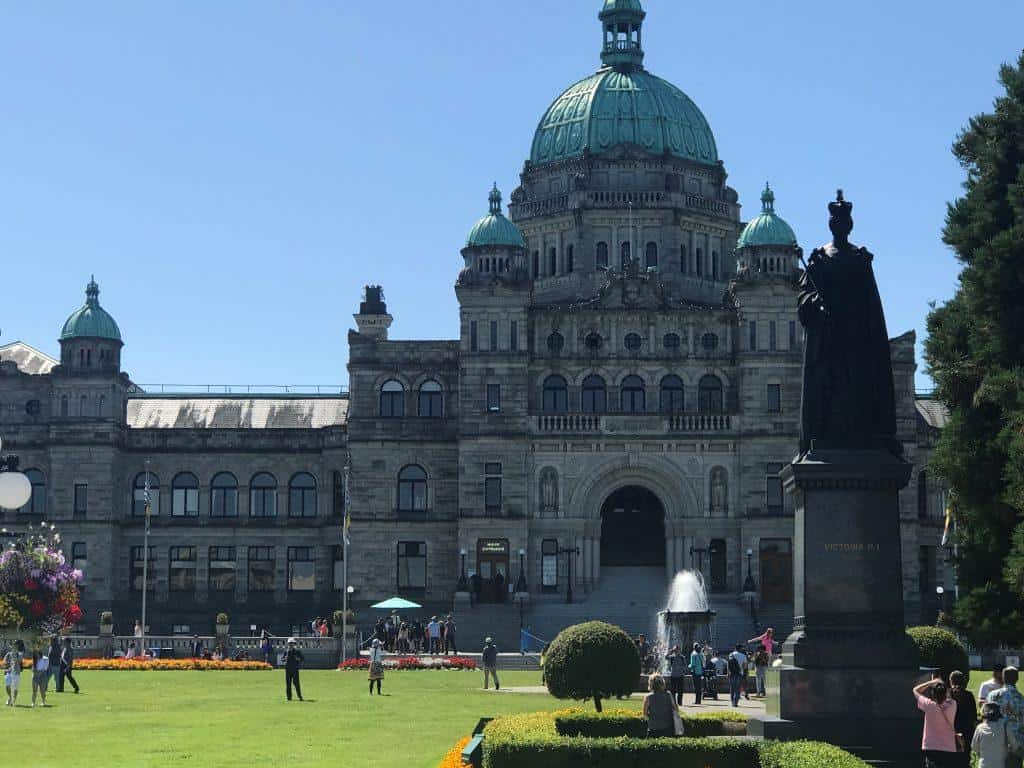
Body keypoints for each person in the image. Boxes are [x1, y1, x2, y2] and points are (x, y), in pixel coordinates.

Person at [915, 676, 958, 768]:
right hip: (948, 747)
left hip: (931, 746)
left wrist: (931, 682)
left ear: (933, 694)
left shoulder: (928, 705)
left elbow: (915, 690)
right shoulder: (953, 704)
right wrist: (942, 685)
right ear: (945, 693)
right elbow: (949, 695)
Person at [988, 665, 1024, 766]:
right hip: (1016, 746)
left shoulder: (993, 696)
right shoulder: (1021, 699)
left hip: (996, 743)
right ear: (1017, 679)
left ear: (1003, 678)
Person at [948, 670, 976, 766]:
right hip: (966, 732)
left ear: (951, 681)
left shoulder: (947, 695)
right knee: (964, 761)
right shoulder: (969, 695)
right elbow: (973, 717)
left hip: (950, 731)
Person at [972, 701, 1009, 768]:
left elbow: (974, 747)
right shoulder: (1004, 726)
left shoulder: (980, 728)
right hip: (999, 765)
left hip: (983, 765)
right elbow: (1014, 744)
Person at [643, 674, 679, 738]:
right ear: (662, 683)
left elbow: (645, 715)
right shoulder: (669, 695)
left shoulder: (648, 697)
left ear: (651, 684)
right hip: (667, 728)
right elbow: (676, 710)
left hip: (653, 729)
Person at [4, 640, 25, 707]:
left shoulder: (20, 654)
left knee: (15, 688)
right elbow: (5, 662)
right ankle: (10, 697)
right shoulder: (8, 654)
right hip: (9, 672)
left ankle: (13, 701)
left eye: (15, 645)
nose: (14, 646)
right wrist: (7, 666)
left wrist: (14, 655)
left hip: (16, 672)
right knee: (7, 686)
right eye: (13, 645)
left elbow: (18, 661)